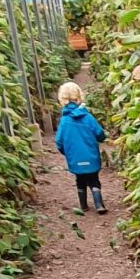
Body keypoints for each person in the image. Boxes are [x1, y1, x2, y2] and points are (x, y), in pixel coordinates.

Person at [54, 81, 108, 215]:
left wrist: (67, 152)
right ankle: (99, 203)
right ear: (79, 97)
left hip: (75, 157)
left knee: (80, 180)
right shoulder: (87, 117)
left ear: (62, 99)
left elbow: (59, 141)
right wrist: (100, 139)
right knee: (94, 179)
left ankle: (83, 205)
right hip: (91, 155)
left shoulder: (65, 121)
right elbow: (99, 133)